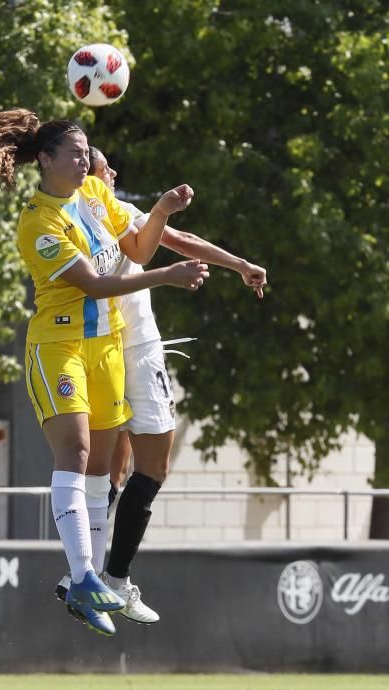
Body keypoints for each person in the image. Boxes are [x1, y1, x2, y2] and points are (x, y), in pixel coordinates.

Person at [0, 109, 209, 637]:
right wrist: (168, 276)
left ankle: (87, 588)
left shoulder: (93, 197)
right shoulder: (38, 220)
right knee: (75, 453)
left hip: (107, 348)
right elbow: (94, 283)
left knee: (101, 474)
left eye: (85, 151)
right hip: (60, 347)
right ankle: (83, 575)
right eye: (72, 153)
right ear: (44, 160)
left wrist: (160, 207)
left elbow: (137, 247)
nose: (83, 160)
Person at [57, 146, 267, 625]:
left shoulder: (87, 214)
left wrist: (237, 264)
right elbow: (170, 243)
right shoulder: (93, 216)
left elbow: (182, 239)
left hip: (102, 352)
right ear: (87, 173)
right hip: (132, 349)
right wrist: (226, 260)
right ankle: (112, 580)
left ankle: (81, 576)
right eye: (105, 165)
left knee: (112, 473)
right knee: (152, 468)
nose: (113, 171)